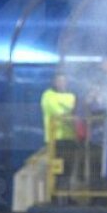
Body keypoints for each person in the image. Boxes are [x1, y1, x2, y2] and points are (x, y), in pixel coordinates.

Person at [41, 72, 77, 201]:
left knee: (69, 170)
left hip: (70, 138)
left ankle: (66, 196)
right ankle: (56, 198)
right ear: (54, 82)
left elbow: (74, 113)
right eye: (59, 80)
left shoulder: (71, 95)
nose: (62, 83)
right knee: (57, 170)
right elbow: (60, 114)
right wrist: (71, 115)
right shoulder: (47, 96)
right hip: (55, 139)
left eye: (64, 80)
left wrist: (72, 116)